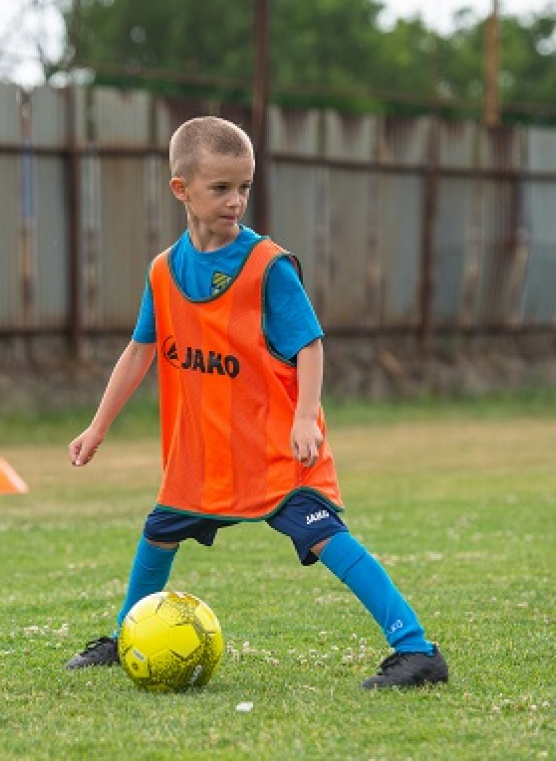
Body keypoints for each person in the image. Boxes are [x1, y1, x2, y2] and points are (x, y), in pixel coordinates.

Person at [65, 116, 448, 689]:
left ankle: (417, 652)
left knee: (325, 537)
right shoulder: (164, 271)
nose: (235, 200)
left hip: (273, 449)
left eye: (244, 186)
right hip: (205, 454)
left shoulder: (268, 266)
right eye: (221, 188)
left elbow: (311, 346)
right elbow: (139, 352)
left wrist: (303, 419)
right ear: (181, 190)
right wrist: (97, 427)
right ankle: (126, 637)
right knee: (158, 532)